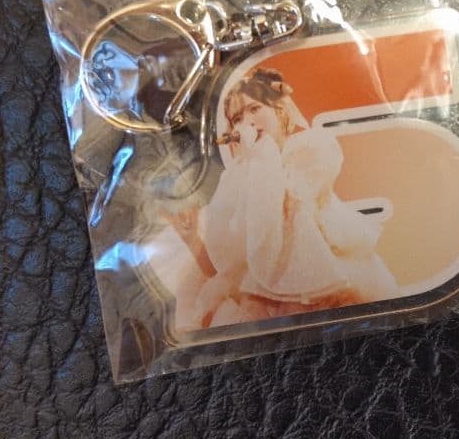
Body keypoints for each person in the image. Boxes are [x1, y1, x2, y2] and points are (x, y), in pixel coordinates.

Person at [165, 67, 399, 329]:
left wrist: (261, 154)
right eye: (237, 118)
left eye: (255, 109)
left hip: (325, 285)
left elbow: (286, 211)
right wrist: (192, 239)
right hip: (265, 306)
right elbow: (231, 268)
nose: (247, 122)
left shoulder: (309, 147)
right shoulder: (243, 177)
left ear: (278, 110)